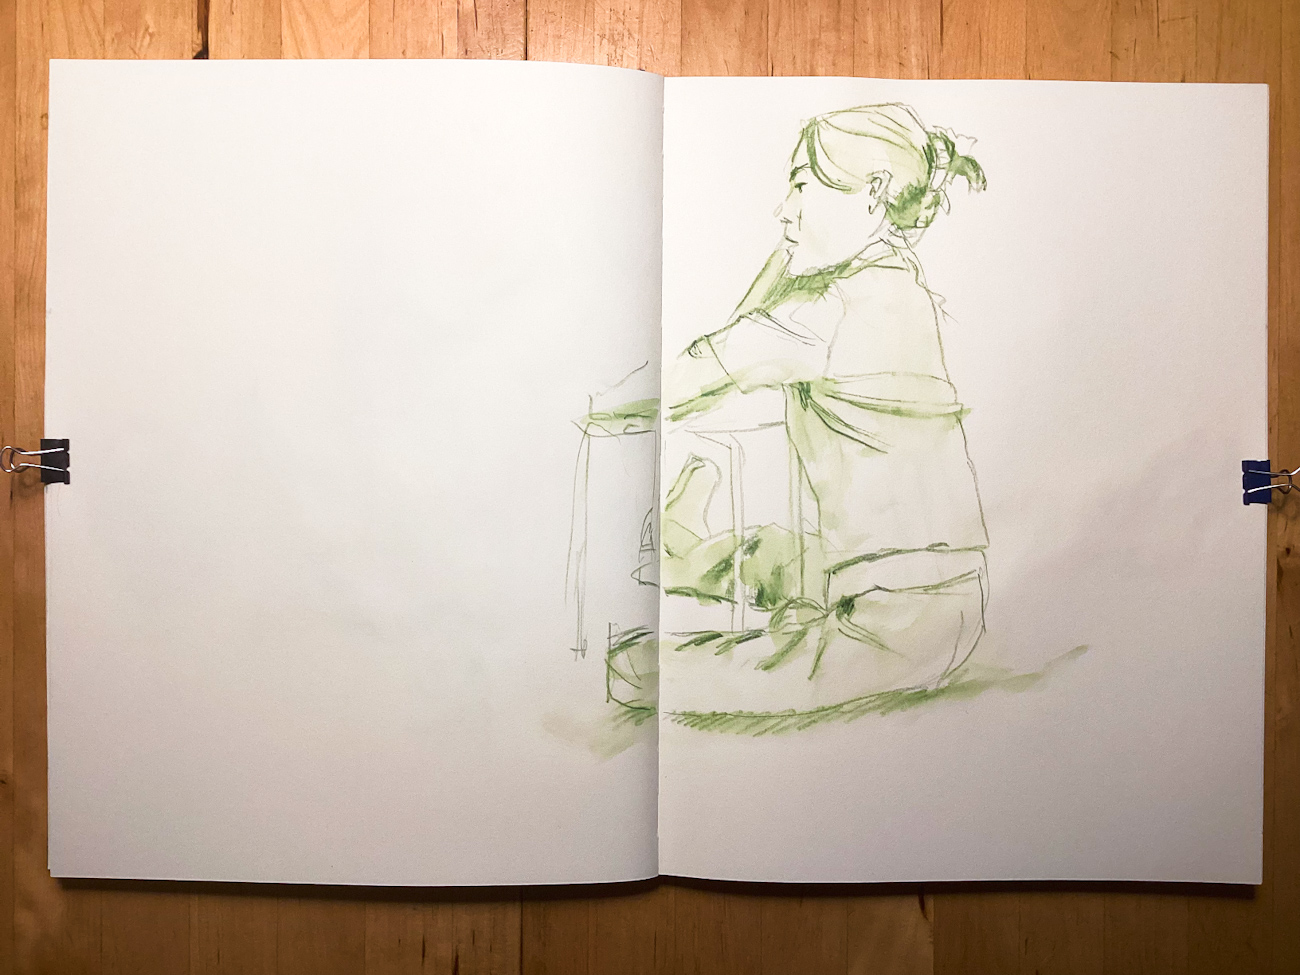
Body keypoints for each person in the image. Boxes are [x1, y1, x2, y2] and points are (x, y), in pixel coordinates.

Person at [662, 103, 990, 698]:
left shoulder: (829, 311)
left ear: (874, 191)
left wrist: (784, 258)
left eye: (801, 186)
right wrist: (794, 249)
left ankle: (685, 563)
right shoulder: (896, 283)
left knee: (648, 673)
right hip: (937, 590)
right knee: (768, 552)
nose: (783, 210)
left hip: (894, 622)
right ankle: (684, 554)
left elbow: (688, 378)